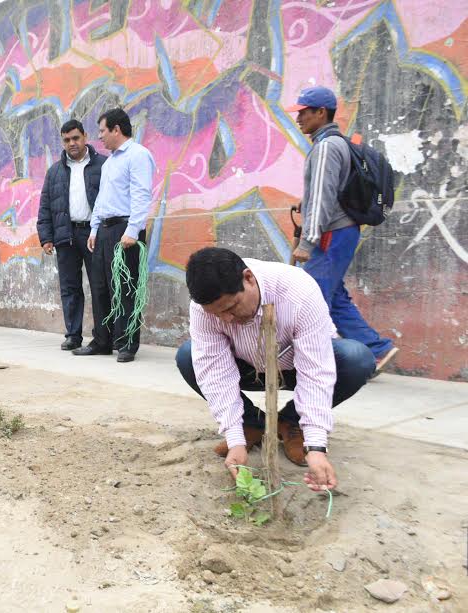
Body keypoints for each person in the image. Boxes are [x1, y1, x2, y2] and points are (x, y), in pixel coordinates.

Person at [176, 247, 375, 490]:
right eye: (218, 314)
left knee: (357, 358)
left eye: (231, 308)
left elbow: (315, 371)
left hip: (293, 366)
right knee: (189, 356)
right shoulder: (204, 308)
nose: (227, 319)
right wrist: (235, 439)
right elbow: (214, 369)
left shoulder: (298, 291)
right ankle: (251, 424)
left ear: (248, 278)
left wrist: (316, 446)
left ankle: (290, 422)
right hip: (248, 367)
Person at [287, 86, 398, 376]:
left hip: (330, 235)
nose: (299, 119)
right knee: (334, 297)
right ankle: (375, 350)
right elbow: (329, 191)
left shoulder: (325, 147)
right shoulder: (337, 143)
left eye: (303, 112)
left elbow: (323, 197)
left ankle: (316, 364)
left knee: (311, 300)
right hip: (342, 231)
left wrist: (308, 242)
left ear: (321, 113)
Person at [73, 108, 155, 363]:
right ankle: (102, 340)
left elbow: (142, 194)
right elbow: (101, 200)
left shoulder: (138, 155)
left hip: (125, 230)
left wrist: (133, 230)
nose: (100, 137)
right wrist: (94, 228)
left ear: (116, 130)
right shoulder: (110, 163)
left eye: (102, 131)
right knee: (100, 288)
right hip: (105, 231)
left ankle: (127, 343)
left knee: (126, 288)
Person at [37, 119, 107, 351]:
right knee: (69, 287)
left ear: (85, 137)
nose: (72, 143)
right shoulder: (55, 171)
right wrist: (46, 237)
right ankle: (73, 335)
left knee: (100, 286)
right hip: (65, 235)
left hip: (94, 234)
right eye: (67, 140)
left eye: (75, 138)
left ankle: (103, 336)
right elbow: (46, 205)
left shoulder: (103, 165)